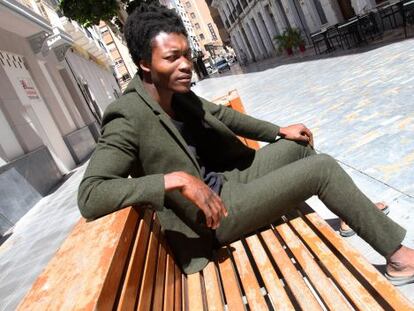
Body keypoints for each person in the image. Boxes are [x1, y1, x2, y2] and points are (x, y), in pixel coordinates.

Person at [78, 4, 414, 284]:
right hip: (216, 215)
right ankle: (398, 258)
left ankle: (350, 214)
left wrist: (278, 131)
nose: (185, 65)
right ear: (144, 63)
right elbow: (90, 194)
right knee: (320, 169)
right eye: (172, 58)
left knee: (299, 145)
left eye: (186, 54)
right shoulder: (127, 115)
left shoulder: (176, 95)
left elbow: (224, 116)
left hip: (229, 182)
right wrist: (175, 181)